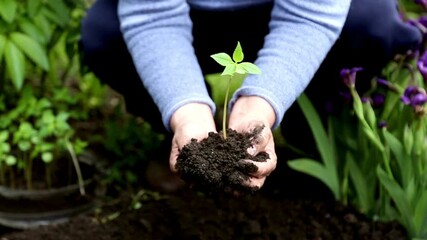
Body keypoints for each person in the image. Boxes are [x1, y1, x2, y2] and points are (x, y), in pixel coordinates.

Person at [80, 0, 421, 191]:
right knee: (104, 33)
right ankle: (175, 137)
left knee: (373, 22)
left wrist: (260, 104)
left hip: (284, 10)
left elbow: (310, 13)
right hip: (190, 16)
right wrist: (187, 112)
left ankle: (310, 137)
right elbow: (152, 15)